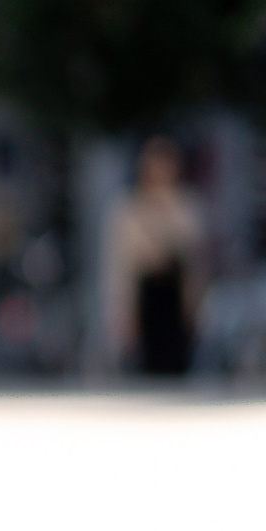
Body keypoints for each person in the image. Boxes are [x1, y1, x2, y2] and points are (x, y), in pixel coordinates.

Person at [103, 136, 208, 377]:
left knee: (177, 365)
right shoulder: (129, 209)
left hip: (174, 297)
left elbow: (194, 261)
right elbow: (121, 267)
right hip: (146, 295)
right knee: (145, 369)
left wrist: (195, 304)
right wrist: (122, 313)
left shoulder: (186, 206)